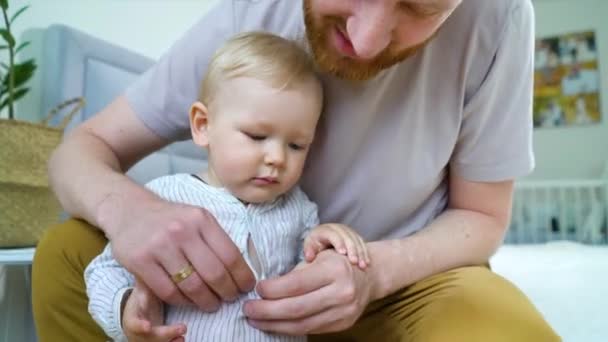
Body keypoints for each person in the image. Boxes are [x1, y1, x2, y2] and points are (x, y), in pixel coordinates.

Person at [34, 0, 561, 341]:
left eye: (420, 7)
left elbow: (483, 217)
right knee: (66, 254)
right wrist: (129, 212)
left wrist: (374, 271)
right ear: (203, 124)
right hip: (224, 306)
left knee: (496, 323)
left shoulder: (501, 16)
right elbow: (82, 148)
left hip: (405, 287)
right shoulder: (253, 14)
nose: (369, 39)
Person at [84, 31, 370, 342]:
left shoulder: (299, 209)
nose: (276, 158)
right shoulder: (163, 198)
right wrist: (125, 309)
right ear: (203, 126)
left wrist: (325, 245)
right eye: (257, 136)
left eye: (297, 145)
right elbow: (105, 270)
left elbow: (312, 281)